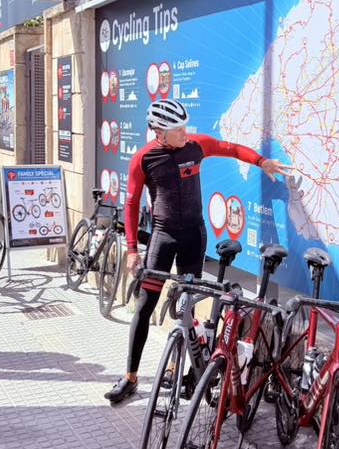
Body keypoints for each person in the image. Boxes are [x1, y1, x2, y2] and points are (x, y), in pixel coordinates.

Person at [104, 99, 291, 402]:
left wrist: (261, 162)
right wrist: (132, 250)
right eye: (177, 129)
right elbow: (132, 203)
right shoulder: (143, 158)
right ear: (159, 132)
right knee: (145, 305)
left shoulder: (196, 145)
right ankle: (130, 377)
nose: (185, 132)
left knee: (187, 304)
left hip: (193, 235)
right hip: (163, 236)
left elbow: (231, 148)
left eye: (184, 126)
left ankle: (179, 366)